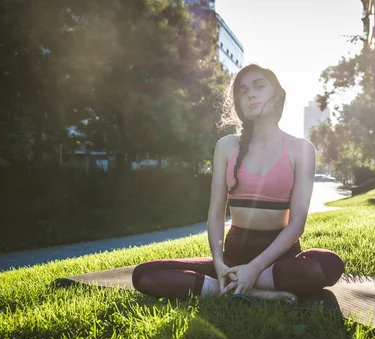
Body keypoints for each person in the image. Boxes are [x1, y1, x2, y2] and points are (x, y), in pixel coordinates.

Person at [132, 64, 345, 303]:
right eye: (243, 91)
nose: (250, 94)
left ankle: (242, 285)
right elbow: (216, 214)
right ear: (238, 103)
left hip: (279, 262)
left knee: (328, 265)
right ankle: (246, 290)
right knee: (144, 274)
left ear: (277, 95)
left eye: (259, 86)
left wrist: (254, 269)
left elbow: (297, 224)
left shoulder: (301, 149)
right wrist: (220, 264)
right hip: (233, 258)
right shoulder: (226, 146)